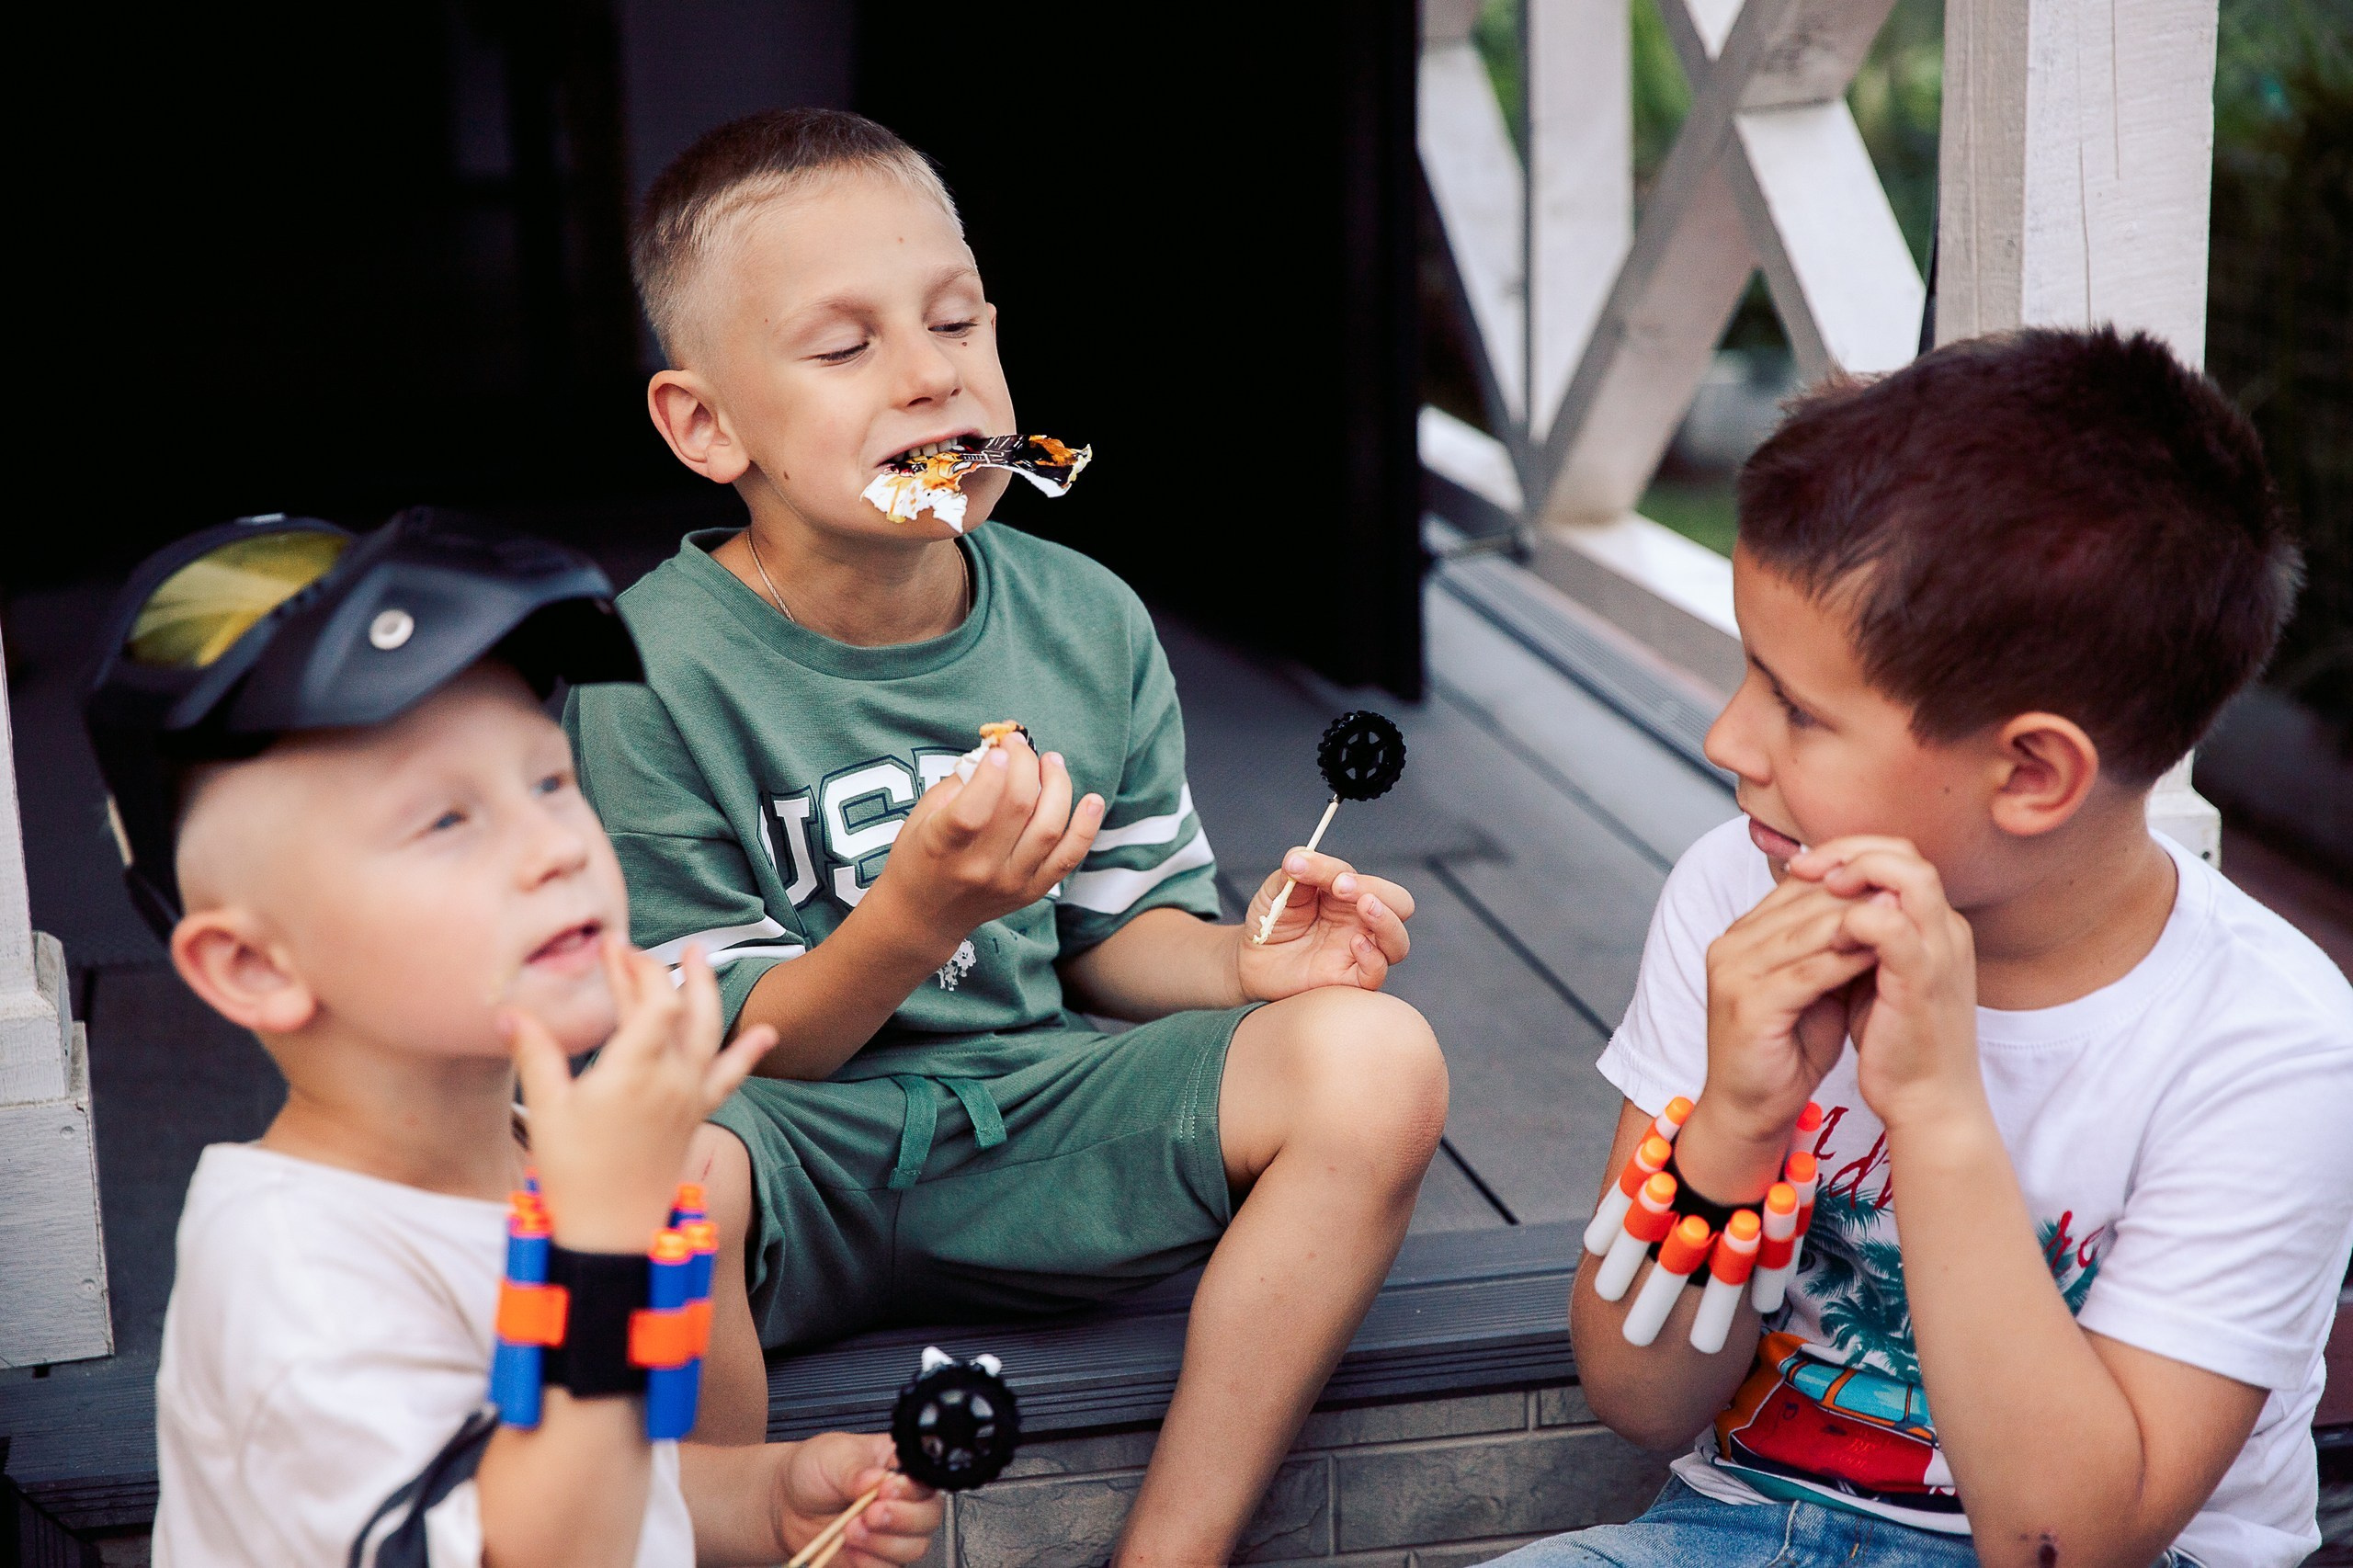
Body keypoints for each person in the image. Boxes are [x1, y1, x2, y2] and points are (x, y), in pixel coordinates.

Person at [564, 108, 1449, 1564]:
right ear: (706, 424)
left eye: (957, 323)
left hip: (1034, 1124)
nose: (933, 376)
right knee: (657, 1168)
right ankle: (724, 1517)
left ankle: (1175, 1543)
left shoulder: (1083, 619)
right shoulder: (647, 667)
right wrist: (912, 918)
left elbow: (1115, 936)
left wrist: (1242, 963)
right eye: (845, 349)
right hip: (786, 1160)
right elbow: (712, 1061)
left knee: (1379, 1058)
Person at [1505, 328, 2353, 1568]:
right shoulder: (1744, 887)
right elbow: (1639, 1397)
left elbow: (2069, 1541)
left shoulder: (2270, 1046)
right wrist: (1733, 1122)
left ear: (2030, 771)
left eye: (1795, 706)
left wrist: (1939, 1109)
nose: (1728, 739)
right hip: (1733, 1527)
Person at [93, 511, 944, 1568]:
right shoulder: (292, 1268)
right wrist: (598, 1245)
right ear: (255, 966)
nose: (552, 845)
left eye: (550, 782)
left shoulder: (552, 1156)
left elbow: (608, 1481)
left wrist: (763, 1500)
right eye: (446, 819)